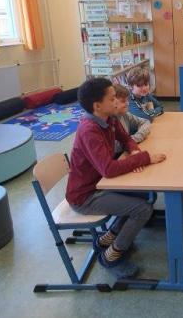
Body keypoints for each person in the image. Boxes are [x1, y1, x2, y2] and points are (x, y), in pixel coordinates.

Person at [66, 77, 166, 278]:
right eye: (112, 99)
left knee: (143, 195)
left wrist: (135, 152)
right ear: (97, 106)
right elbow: (109, 169)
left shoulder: (109, 118)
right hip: (86, 196)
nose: (117, 102)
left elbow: (126, 139)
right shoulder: (89, 130)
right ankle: (111, 256)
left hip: (100, 184)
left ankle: (108, 238)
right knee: (142, 210)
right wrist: (145, 158)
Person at [112, 84, 151, 157]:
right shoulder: (109, 120)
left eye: (127, 100)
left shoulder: (125, 114)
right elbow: (115, 147)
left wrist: (135, 138)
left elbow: (146, 121)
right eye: (123, 101)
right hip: (116, 157)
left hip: (127, 151)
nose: (127, 103)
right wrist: (130, 141)